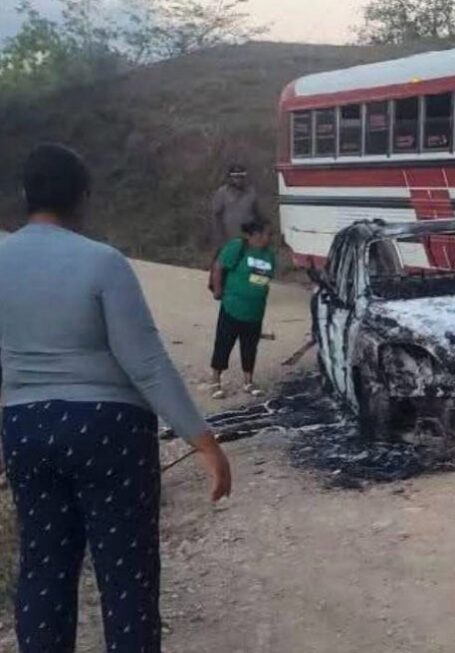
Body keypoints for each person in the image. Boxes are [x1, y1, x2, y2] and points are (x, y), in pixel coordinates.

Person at [0, 144, 232, 652]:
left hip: (25, 430)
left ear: (24, 194)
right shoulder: (103, 263)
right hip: (109, 432)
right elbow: (146, 363)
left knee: (43, 570)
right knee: (126, 577)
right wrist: (205, 443)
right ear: (83, 197)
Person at [209, 218, 276, 399]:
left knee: (250, 346)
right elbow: (219, 266)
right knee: (224, 343)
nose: (270, 238)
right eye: (267, 234)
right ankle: (216, 380)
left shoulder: (269, 255)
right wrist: (218, 290)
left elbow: (266, 278)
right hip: (232, 306)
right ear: (256, 234)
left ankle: (248, 381)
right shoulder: (238, 247)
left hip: (255, 310)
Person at [206, 164, 262, 291]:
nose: (239, 180)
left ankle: (248, 286)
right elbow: (215, 215)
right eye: (236, 177)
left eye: (241, 177)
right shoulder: (222, 192)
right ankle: (217, 286)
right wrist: (218, 235)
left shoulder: (251, 192)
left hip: (247, 236)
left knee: (246, 263)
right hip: (227, 235)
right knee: (222, 262)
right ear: (230, 178)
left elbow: (257, 213)